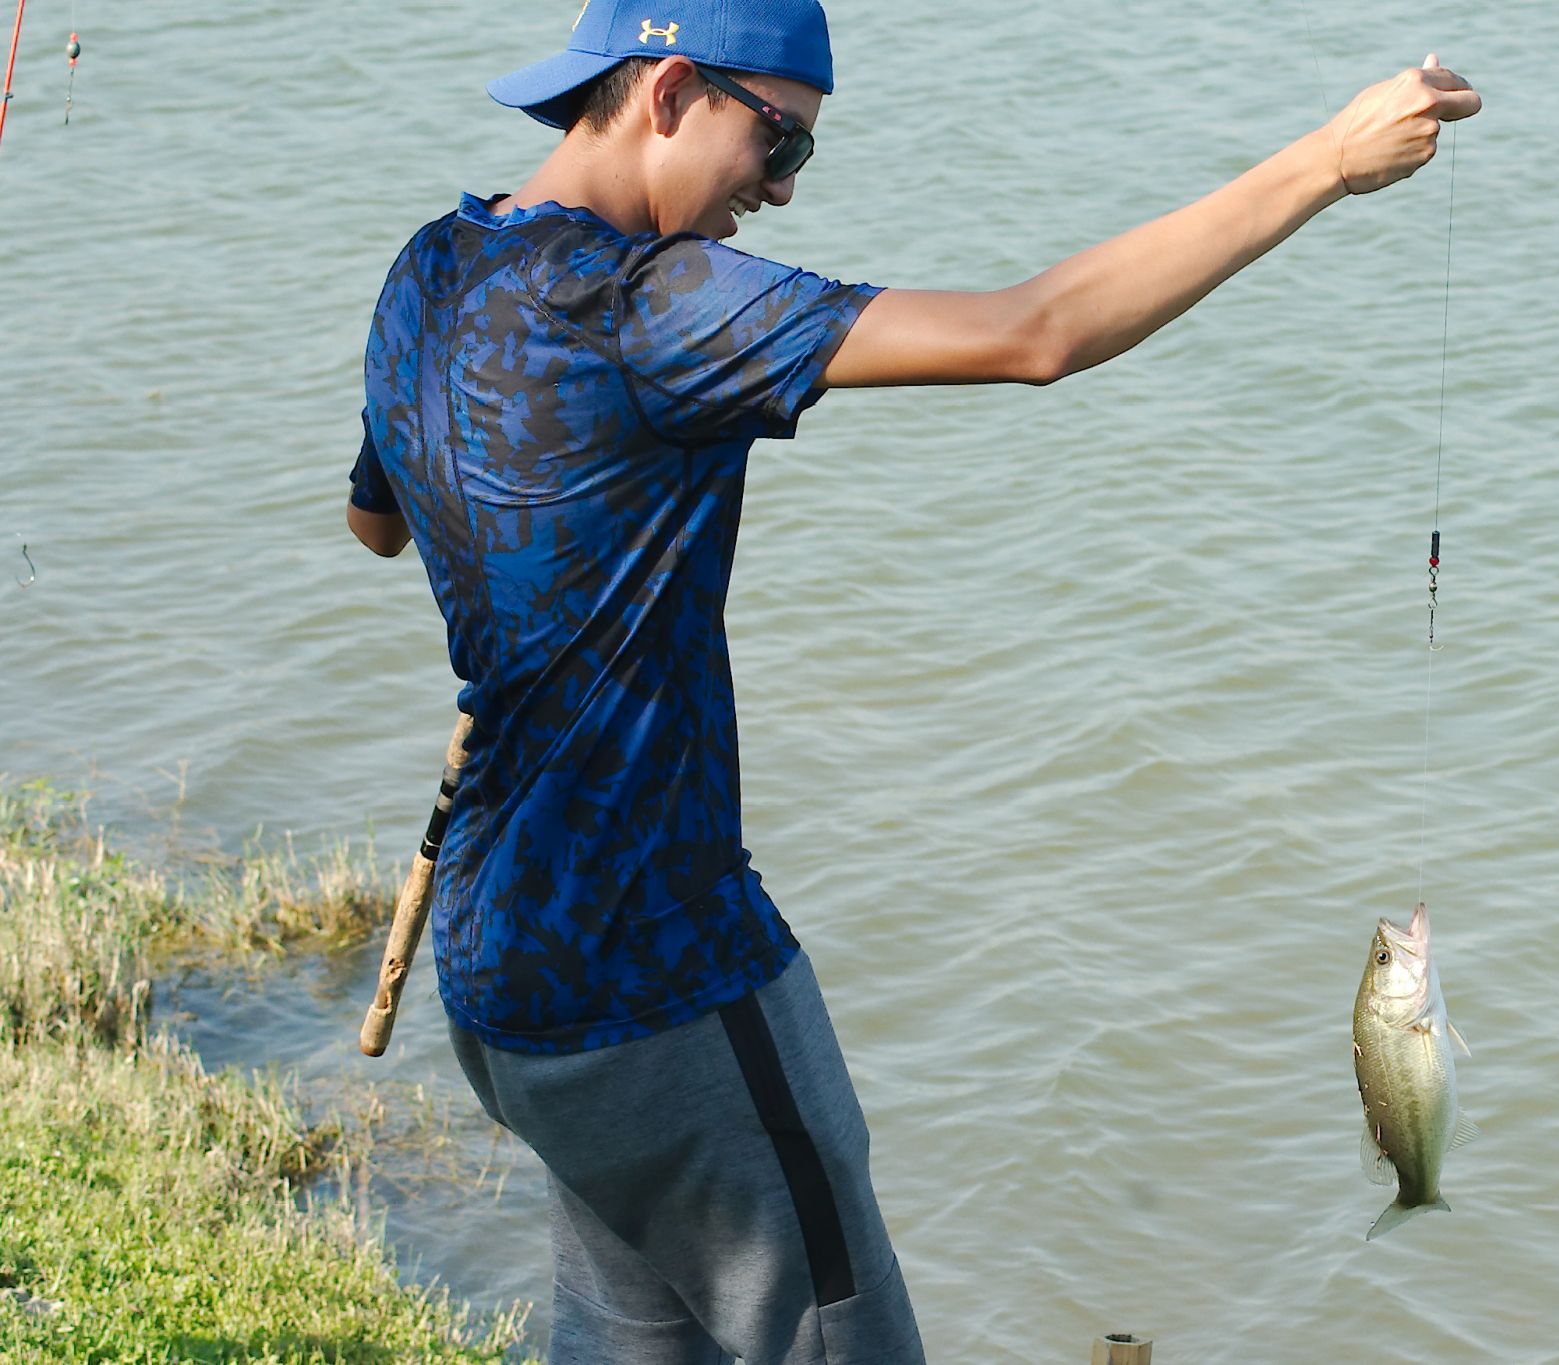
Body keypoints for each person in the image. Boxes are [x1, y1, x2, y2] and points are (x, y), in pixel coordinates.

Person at [345, 3, 1478, 1361]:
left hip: (502, 969)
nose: (774, 192)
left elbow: (381, 519)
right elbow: (1036, 331)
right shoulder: (653, 307)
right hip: (669, 980)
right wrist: (1324, 164)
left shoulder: (430, 269)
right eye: (778, 146)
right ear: (662, 91)